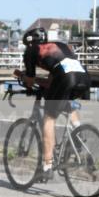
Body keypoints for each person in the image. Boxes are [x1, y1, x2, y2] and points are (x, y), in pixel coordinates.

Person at [13, 27, 91, 182]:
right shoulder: (59, 46)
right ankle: (78, 133)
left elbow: (29, 80)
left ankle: (47, 166)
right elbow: (52, 81)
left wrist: (21, 75)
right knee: (67, 101)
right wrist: (41, 82)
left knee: (49, 119)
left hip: (65, 78)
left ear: (29, 43)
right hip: (84, 77)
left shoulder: (31, 51)